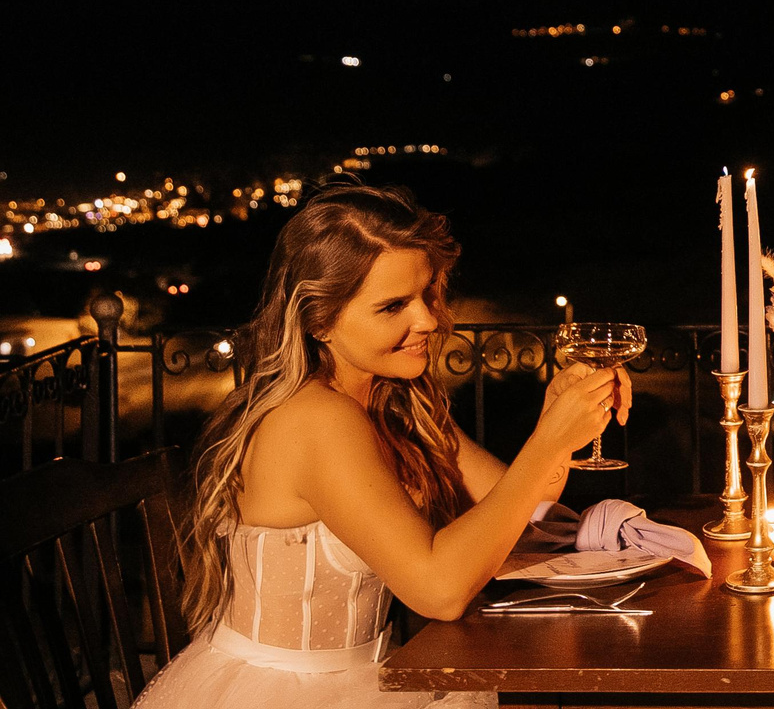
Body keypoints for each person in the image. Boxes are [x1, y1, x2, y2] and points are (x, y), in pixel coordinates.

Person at [136, 184, 628, 708]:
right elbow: (439, 591)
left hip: (364, 675)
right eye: (394, 306)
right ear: (319, 320)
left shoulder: (390, 401)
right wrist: (547, 442)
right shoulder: (317, 418)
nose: (429, 320)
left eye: (428, 294)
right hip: (287, 692)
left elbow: (526, 508)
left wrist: (558, 420)